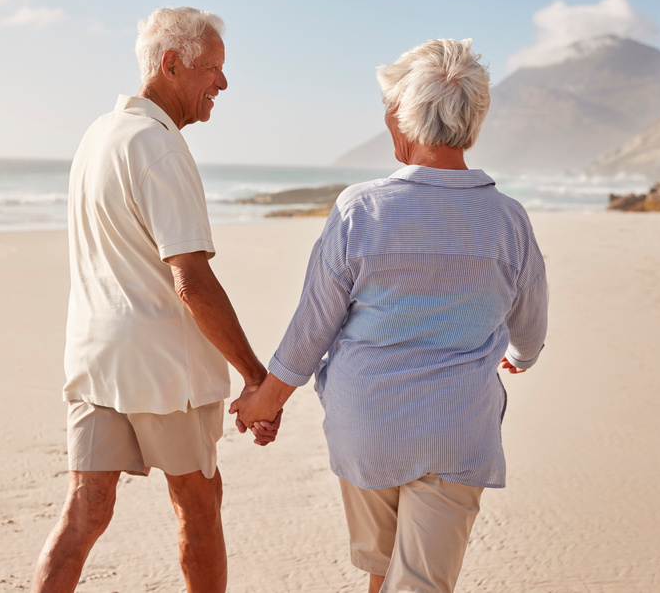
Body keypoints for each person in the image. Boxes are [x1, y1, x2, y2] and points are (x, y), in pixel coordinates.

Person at [231, 39, 548, 593]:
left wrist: (264, 401)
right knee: (421, 581)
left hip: (368, 423)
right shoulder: (508, 220)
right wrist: (520, 356)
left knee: (382, 569)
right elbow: (531, 324)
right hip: (455, 429)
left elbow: (313, 328)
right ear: (472, 122)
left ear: (405, 119)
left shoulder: (361, 209)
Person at [31, 6, 278, 593]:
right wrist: (255, 376)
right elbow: (190, 278)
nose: (222, 83)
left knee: (85, 510)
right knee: (199, 501)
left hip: (95, 361)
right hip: (165, 372)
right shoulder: (158, 146)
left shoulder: (98, 135)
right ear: (171, 64)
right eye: (212, 69)